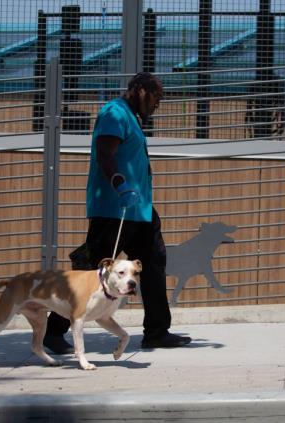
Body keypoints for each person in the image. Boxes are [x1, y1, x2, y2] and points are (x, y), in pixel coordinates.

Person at [43, 72, 191, 353]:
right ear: (139, 90)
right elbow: (105, 154)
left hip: (140, 210)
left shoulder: (132, 117)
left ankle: (157, 331)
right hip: (114, 209)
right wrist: (120, 184)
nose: (158, 103)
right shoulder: (114, 112)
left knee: (155, 261)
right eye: (156, 96)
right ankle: (53, 331)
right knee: (91, 271)